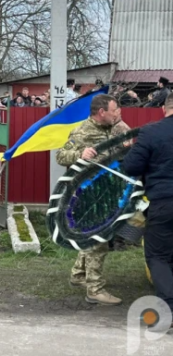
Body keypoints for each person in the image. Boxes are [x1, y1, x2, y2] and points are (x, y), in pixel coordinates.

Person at [56, 94, 123, 305]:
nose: (117, 114)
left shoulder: (109, 129)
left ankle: (78, 274)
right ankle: (95, 289)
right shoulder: (82, 132)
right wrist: (79, 154)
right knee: (99, 241)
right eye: (113, 110)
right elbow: (60, 155)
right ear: (102, 112)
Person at [123, 93, 173, 317]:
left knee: (159, 256)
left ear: (164, 108)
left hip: (164, 202)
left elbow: (131, 167)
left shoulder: (151, 132)